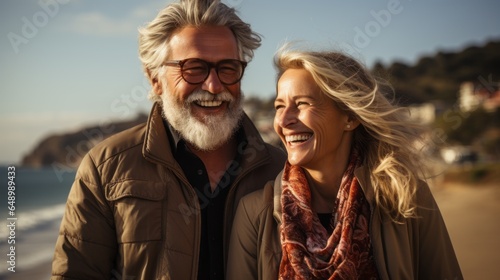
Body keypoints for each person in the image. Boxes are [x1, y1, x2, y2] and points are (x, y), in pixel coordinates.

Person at [51, 0, 286, 279]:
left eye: (228, 68)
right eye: (194, 68)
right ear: (155, 79)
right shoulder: (106, 167)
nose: (213, 86)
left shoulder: (284, 169)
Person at [227, 45, 463, 279]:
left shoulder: (406, 198)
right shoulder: (255, 212)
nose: (284, 119)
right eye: (279, 106)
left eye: (302, 104)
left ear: (349, 117)